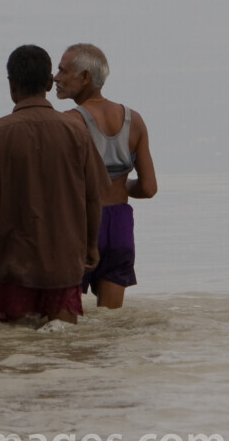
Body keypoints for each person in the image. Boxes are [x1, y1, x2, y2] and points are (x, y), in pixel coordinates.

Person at [0, 45, 105, 324]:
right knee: (62, 353)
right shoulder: (76, 131)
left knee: (12, 352)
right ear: (49, 83)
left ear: (11, 85)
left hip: (15, 269)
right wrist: (90, 247)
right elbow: (93, 196)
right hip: (64, 268)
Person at [53, 43, 158, 309]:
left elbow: (61, 186)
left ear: (85, 77)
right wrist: (120, 185)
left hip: (83, 226)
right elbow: (148, 188)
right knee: (110, 322)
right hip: (120, 226)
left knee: (65, 318)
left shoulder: (70, 122)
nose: (56, 77)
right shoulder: (134, 120)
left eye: (63, 71)